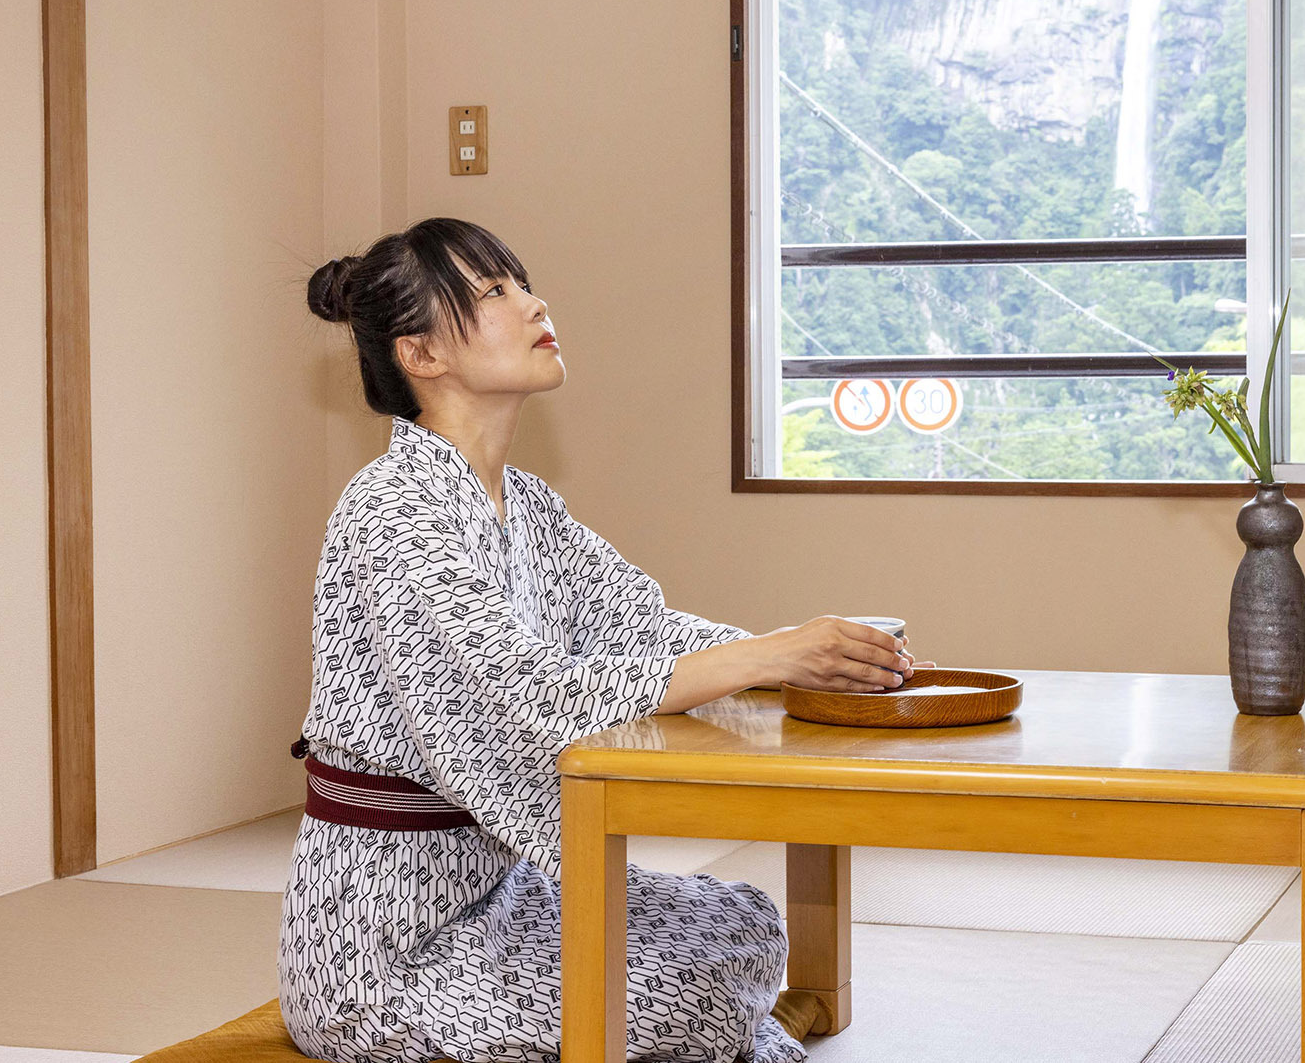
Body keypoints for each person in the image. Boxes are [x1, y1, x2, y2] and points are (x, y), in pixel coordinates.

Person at [278, 217, 927, 1063]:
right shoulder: (394, 508)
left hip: (502, 895)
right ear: (421, 355)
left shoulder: (528, 503)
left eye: (521, 282)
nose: (535, 302)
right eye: (494, 293)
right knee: (696, 990)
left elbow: (641, 625)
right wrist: (770, 656)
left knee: (746, 922)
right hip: (388, 951)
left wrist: (808, 657)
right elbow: (535, 700)